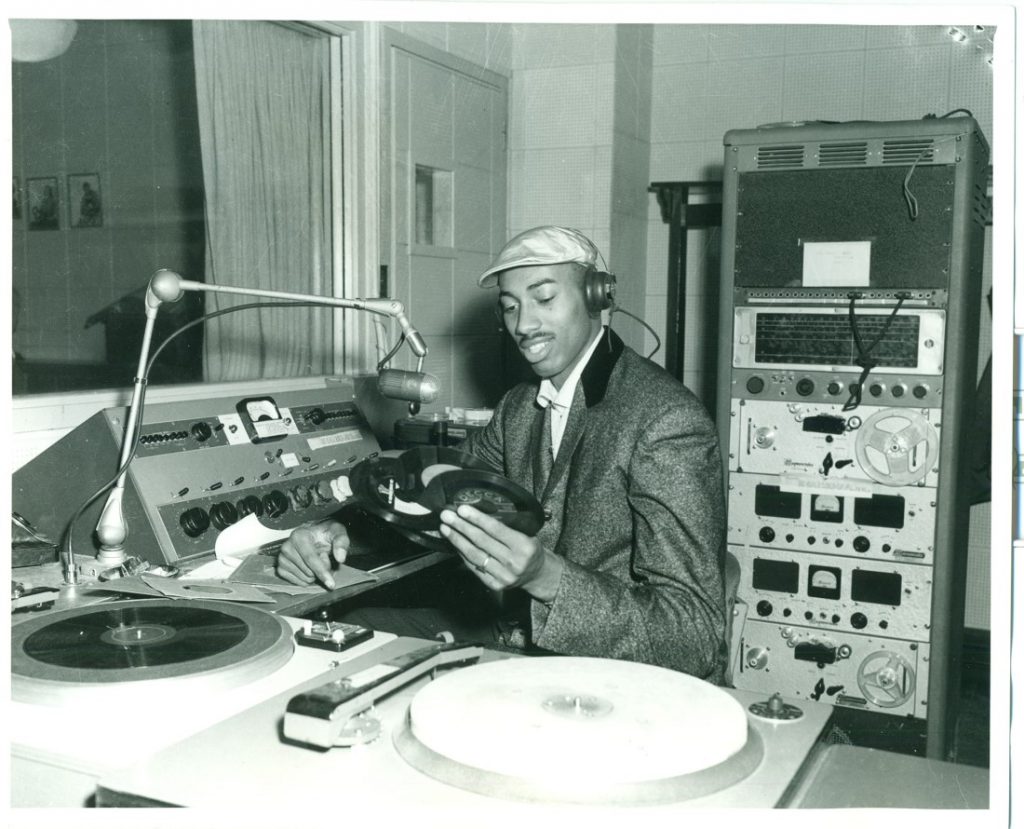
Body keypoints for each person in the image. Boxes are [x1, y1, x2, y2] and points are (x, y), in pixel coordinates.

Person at [277, 226, 728, 682]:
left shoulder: (665, 420)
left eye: (544, 298)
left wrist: (545, 577)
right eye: (510, 307)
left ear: (596, 297)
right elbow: (436, 501)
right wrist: (338, 531)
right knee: (333, 636)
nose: (524, 325)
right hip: (513, 637)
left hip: (613, 676)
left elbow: (696, 636)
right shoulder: (519, 407)